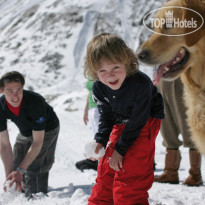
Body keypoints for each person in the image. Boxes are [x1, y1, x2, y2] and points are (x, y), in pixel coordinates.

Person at [84, 33, 164, 205]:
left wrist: (120, 151)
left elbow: (138, 120)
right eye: (102, 71)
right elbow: (106, 116)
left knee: (129, 174)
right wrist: (101, 141)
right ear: (95, 72)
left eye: (115, 68)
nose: (110, 76)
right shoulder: (99, 87)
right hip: (120, 122)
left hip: (145, 121)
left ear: (126, 61)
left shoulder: (140, 83)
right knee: (106, 169)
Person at [0, 71, 60, 199]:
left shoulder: (35, 101)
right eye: (10, 91)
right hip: (25, 131)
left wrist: (21, 170)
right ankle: (17, 196)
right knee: (16, 162)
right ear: (1, 90)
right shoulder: (0, 107)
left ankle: (37, 197)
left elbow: (37, 142)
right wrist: (10, 175)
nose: (15, 96)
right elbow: (4, 145)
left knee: (35, 165)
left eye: (19, 90)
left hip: (48, 129)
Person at [154, 78, 202, 186]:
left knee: (186, 124)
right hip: (161, 79)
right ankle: (170, 172)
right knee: (166, 126)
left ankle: (195, 174)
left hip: (180, 77)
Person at [75, 79, 100, 171]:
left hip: (100, 108)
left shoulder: (102, 70)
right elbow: (90, 92)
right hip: (92, 109)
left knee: (102, 137)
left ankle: (102, 163)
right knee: (96, 137)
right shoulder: (90, 71)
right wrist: (86, 110)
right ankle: (97, 160)